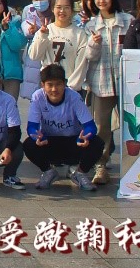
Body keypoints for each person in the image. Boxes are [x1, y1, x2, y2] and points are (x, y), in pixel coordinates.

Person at [82, 0, 134, 185]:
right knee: (101, 126)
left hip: (127, 81)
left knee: (134, 124)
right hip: (101, 81)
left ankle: (137, 164)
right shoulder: (91, 25)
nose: (102, 1)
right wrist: (94, 44)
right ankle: (101, 165)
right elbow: (89, 57)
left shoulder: (128, 21)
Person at [24, 64, 103, 192]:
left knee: (97, 143)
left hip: (73, 141)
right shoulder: (37, 97)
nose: (54, 89)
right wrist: (37, 137)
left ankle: (80, 173)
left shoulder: (74, 97)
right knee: (29, 144)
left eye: (58, 84)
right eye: (50, 85)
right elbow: (31, 127)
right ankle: (48, 172)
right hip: (49, 141)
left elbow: (90, 126)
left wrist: (85, 137)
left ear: (65, 84)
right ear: (43, 85)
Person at [28, 0, 93, 93]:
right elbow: (34, 56)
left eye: (66, 7)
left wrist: (72, 87)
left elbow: (81, 63)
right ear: (52, 9)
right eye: (58, 7)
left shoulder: (79, 34)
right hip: (48, 83)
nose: (62, 11)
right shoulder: (45, 30)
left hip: (70, 85)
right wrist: (43, 36)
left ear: (71, 10)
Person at [18, 0, 53, 100]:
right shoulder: (29, 13)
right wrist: (32, 31)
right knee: (35, 96)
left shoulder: (55, 13)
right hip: (33, 59)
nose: (39, 2)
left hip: (51, 55)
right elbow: (25, 28)